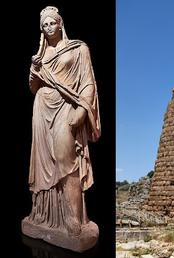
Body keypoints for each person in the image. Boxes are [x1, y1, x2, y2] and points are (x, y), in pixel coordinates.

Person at [22, 6, 101, 249]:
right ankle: (43, 217)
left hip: (67, 105)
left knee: (66, 157)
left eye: (52, 24)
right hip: (42, 108)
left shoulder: (79, 48)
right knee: (44, 162)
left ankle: (72, 218)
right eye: (44, 25)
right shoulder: (41, 54)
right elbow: (33, 87)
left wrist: (82, 109)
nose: (48, 28)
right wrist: (34, 70)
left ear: (60, 23)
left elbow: (88, 82)